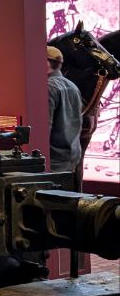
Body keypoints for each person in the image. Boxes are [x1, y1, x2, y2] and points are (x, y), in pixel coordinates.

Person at [47, 45, 83, 190]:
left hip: (53, 162)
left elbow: (45, 128)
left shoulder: (48, 87)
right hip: (70, 160)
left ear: (46, 63)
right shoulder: (73, 86)